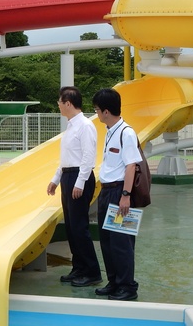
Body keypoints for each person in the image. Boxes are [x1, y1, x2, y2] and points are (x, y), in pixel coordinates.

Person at [47, 86, 102, 287]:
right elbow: (67, 159)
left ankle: (91, 271)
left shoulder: (85, 126)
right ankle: (79, 267)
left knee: (79, 227)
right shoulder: (71, 126)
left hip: (80, 177)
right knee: (71, 227)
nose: (59, 106)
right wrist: (56, 179)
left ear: (68, 103)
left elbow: (88, 157)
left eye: (60, 102)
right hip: (68, 176)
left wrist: (79, 183)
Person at [91, 88, 141, 301]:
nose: (96, 114)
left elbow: (131, 166)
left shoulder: (126, 133)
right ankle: (114, 282)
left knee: (122, 243)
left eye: (97, 110)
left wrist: (126, 195)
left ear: (106, 111)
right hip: (107, 191)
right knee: (108, 241)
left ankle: (127, 286)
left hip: (120, 193)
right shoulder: (111, 130)